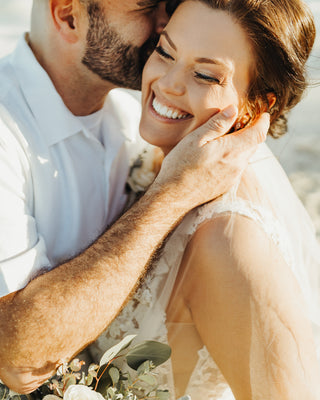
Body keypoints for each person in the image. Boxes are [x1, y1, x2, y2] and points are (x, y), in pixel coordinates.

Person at [0, 0, 269, 394]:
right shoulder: (6, 135)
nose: (166, 23)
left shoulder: (133, 123)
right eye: (147, 7)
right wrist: (173, 194)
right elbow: (18, 360)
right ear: (68, 15)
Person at [89, 0, 320, 398]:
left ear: (258, 105)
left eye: (204, 75)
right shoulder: (147, 161)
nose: (167, 84)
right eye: (165, 51)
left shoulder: (229, 241)